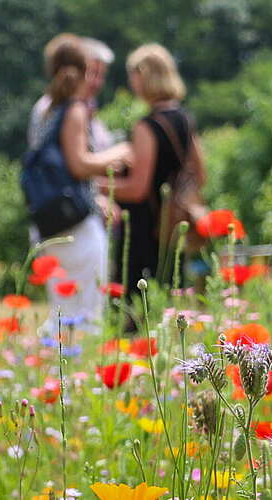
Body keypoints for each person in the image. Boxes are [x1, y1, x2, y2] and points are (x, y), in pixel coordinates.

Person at [28, 39, 130, 332]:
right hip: (75, 222)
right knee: (85, 312)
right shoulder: (73, 108)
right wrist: (119, 153)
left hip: (51, 218)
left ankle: (56, 369)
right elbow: (78, 164)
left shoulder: (49, 108)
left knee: (62, 308)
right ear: (85, 71)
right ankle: (76, 371)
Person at [99, 43, 207, 315]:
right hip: (173, 228)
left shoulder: (148, 126)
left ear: (144, 75)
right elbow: (200, 174)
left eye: (133, 75)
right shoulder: (184, 119)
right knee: (171, 309)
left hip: (146, 232)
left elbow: (137, 189)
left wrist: (92, 186)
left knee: (137, 313)